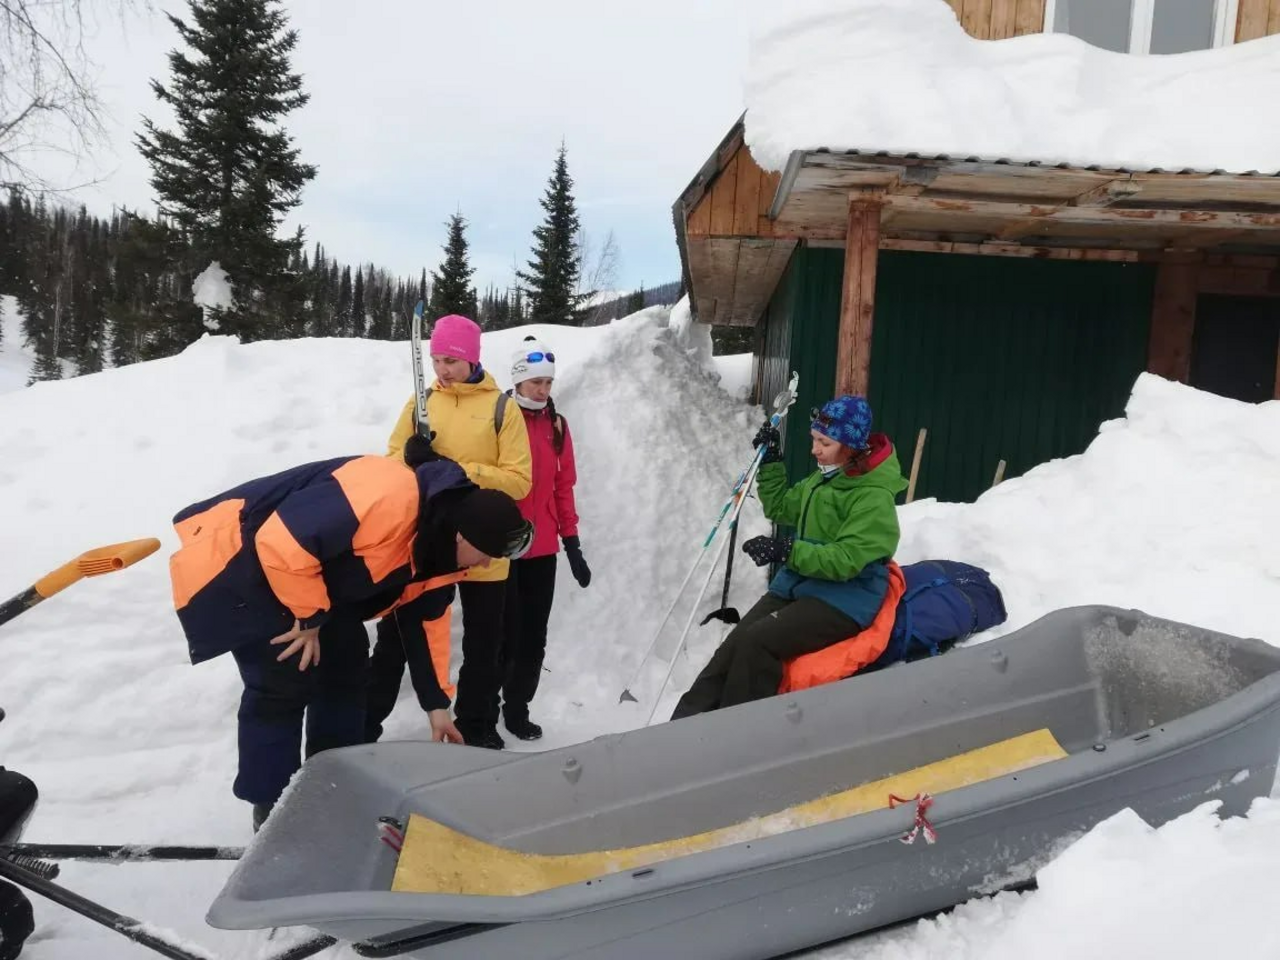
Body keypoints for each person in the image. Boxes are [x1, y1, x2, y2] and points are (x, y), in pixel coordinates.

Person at [168, 454, 533, 829]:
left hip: (314, 582)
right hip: (245, 563)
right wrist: (309, 617)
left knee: (347, 671)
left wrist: (436, 705)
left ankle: (331, 787)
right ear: (463, 535)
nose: (486, 564)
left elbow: (422, 624)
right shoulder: (390, 496)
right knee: (283, 683)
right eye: (487, 554)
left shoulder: (439, 548)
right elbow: (281, 541)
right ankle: (273, 810)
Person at [670, 395, 907, 719]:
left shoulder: (873, 497)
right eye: (814, 439)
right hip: (800, 584)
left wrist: (787, 550)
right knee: (732, 646)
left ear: (851, 446)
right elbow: (781, 506)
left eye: (824, 442)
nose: (815, 449)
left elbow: (846, 559)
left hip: (845, 598)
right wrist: (771, 462)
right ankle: (681, 726)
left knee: (758, 643)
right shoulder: (824, 478)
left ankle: (737, 731)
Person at [367, 314, 532, 750]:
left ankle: (476, 725)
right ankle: (363, 726)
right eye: (437, 360)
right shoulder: (422, 402)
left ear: (472, 360)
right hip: (429, 543)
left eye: (452, 361)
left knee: (484, 644)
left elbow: (519, 481)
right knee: (396, 639)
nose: (443, 370)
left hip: (483, 546)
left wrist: (453, 469)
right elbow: (391, 464)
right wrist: (412, 460)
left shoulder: (502, 408)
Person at [498, 336, 591, 741]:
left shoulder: (557, 425)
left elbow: (562, 487)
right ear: (518, 380)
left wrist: (572, 544)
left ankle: (517, 708)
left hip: (542, 549)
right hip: (503, 548)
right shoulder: (500, 419)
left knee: (533, 636)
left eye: (548, 382)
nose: (542, 390)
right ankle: (484, 709)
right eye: (536, 381)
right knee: (501, 635)